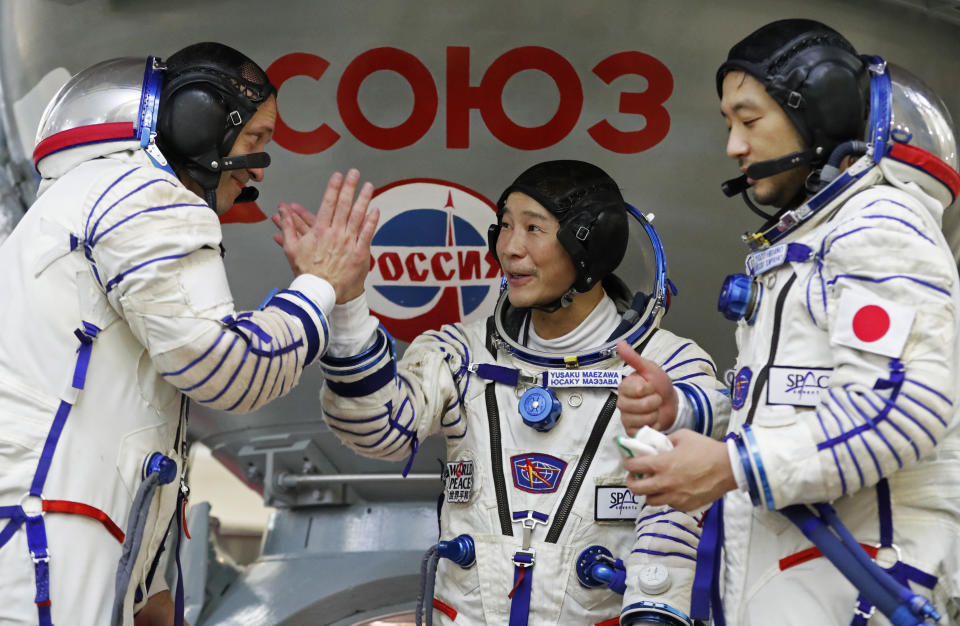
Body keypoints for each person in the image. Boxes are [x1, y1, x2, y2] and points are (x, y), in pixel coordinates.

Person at [0, 44, 376, 625]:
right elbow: (227, 372)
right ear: (197, 121)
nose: (256, 169)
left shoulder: (84, 197)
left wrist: (147, 588)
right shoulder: (140, 197)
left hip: (51, 542)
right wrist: (320, 288)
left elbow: (126, 422)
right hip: (50, 548)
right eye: (255, 140)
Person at [617, 19, 960, 625]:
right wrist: (686, 414)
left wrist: (730, 467)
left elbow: (900, 405)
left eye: (749, 121)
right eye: (729, 125)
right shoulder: (820, 240)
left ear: (820, 117)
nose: (734, 147)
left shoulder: (880, 226)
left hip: (865, 580)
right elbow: (791, 406)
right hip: (808, 573)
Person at [288, 160, 729, 625]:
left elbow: (712, 444)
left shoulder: (663, 365)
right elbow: (379, 430)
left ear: (590, 245)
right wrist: (349, 304)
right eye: (505, 228)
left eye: (534, 228)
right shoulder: (459, 352)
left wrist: (674, 410)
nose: (510, 249)